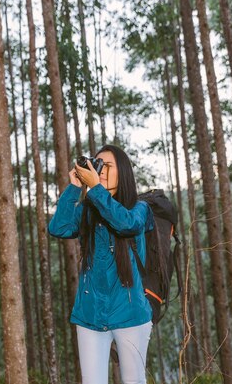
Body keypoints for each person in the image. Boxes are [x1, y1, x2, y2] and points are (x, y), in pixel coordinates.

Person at [48, 144, 154, 384]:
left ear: (123, 172)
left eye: (108, 166)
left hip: (130, 313)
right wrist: (75, 187)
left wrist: (95, 187)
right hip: (90, 315)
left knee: (133, 382)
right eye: (97, 165)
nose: (101, 171)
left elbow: (125, 224)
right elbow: (59, 228)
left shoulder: (140, 209)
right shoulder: (89, 210)